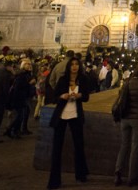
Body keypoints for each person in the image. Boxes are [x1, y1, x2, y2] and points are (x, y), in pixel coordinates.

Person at [48, 57, 90, 189]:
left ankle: (81, 174)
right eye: (72, 64)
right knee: (57, 148)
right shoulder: (62, 80)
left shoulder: (83, 79)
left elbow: (87, 97)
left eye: (77, 64)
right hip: (61, 115)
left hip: (75, 115)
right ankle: (54, 180)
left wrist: (80, 96)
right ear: (68, 67)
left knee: (79, 145)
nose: (74, 67)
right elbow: (54, 97)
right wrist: (62, 96)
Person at [6, 59, 34, 138]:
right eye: (27, 64)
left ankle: (15, 130)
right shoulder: (21, 75)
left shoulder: (27, 74)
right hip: (19, 98)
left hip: (23, 97)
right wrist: (29, 83)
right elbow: (19, 87)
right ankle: (11, 130)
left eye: (30, 64)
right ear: (23, 66)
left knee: (21, 115)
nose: (29, 65)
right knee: (19, 116)